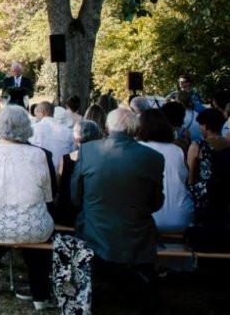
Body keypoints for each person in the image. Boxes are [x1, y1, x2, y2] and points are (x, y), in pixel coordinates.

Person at [71, 107, 164, 312]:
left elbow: (75, 197)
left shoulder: (87, 151)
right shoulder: (154, 157)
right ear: (135, 128)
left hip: (96, 231)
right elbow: (156, 202)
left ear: (107, 127)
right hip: (136, 233)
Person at [0, 105, 54, 310]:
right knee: (35, 223)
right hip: (30, 228)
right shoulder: (38, 154)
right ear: (27, 126)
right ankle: (40, 294)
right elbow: (48, 196)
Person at [134, 109, 194, 233]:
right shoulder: (178, 150)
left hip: (144, 220)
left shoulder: (135, 149)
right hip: (181, 218)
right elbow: (187, 180)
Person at [186, 108, 230, 251]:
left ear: (205, 126)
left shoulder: (198, 146)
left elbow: (191, 178)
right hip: (224, 199)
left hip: (204, 200)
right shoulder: (228, 145)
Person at [54, 119, 102, 227]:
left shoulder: (66, 159)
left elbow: (59, 185)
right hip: (92, 214)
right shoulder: (103, 159)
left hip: (67, 215)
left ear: (76, 139)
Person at [30, 101, 75, 169]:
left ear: (42, 112)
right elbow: (72, 152)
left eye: (36, 111)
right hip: (63, 172)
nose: (35, 115)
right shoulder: (67, 131)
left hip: (42, 171)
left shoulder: (33, 129)